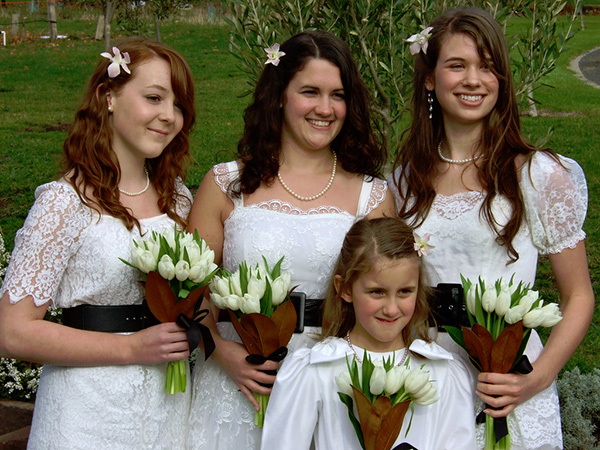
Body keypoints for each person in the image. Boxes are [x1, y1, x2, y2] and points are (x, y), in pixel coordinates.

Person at [389, 7, 593, 450]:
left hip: (505, 382)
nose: (473, 80)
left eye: (487, 66)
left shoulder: (536, 175)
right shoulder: (404, 181)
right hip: (426, 377)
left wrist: (535, 379)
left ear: (501, 80)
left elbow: (578, 296)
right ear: (429, 78)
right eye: (457, 65)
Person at [186, 30, 395, 449]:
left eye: (337, 95)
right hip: (237, 382)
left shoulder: (372, 196)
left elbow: (387, 300)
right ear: (280, 95)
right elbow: (192, 293)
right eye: (310, 92)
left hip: (331, 383)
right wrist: (223, 356)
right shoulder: (226, 183)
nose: (325, 108)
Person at [0, 37, 196, 449]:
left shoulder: (177, 197)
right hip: (87, 413)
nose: (168, 116)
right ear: (108, 97)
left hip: (168, 409)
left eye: (177, 105)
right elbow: (13, 332)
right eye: (154, 98)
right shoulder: (64, 201)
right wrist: (131, 350)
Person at [260, 217, 476, 449]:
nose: (392, 308)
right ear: (344, 288)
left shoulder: (443, 371)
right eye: (377, 292)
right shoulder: (315, 369)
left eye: (405, 291)